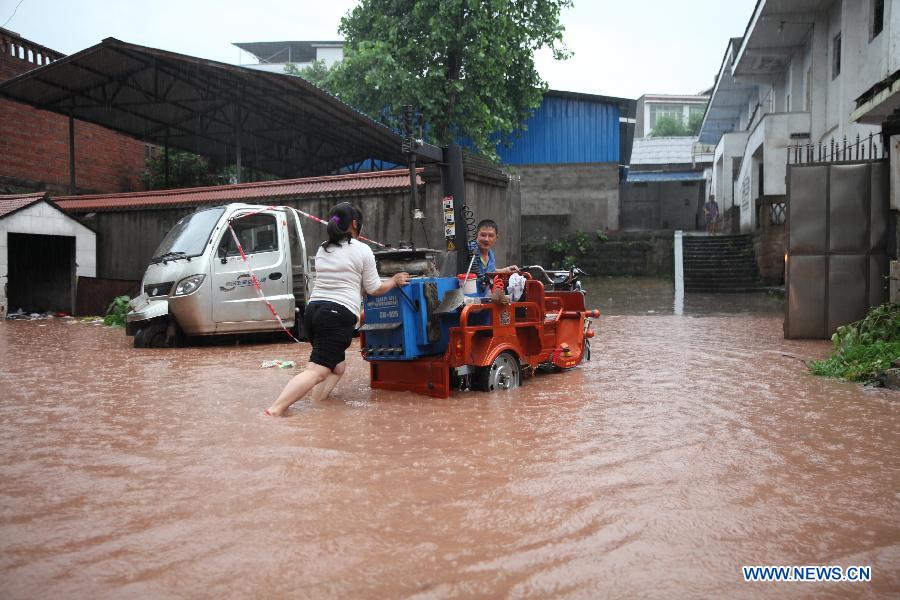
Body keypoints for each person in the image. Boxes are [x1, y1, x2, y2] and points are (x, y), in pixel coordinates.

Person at [265, 202, 409, 416]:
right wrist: (395, 280)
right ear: (354, 223)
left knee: (337, 367)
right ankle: (275, 410)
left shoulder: (324, 248)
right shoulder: (362, 250)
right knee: (317, 370)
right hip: (336, 316)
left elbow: (345, 278)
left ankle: (317, 403)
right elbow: (374, 288)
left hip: (313, 313)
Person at [468, 219, 519, 302]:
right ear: (477, 235)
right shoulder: (470, 251)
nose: (486, 239)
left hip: (485, 298)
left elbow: (488, 272)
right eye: (483, 235)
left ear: (496, 237)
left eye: (491, 236)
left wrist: (506, 270)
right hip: (470, 299)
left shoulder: (490, 254)